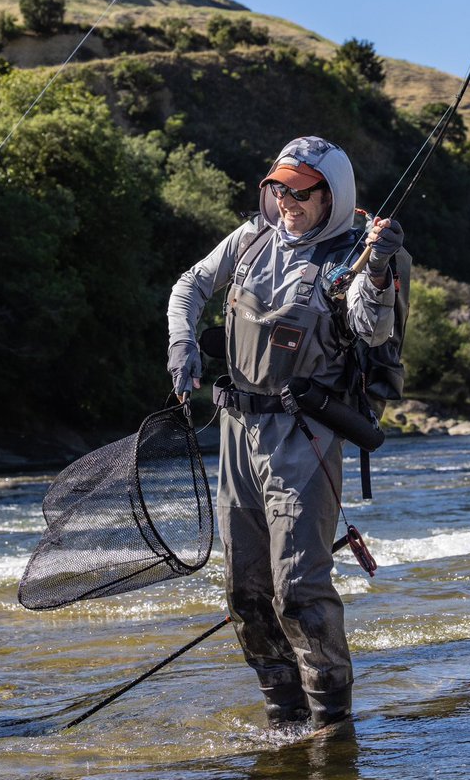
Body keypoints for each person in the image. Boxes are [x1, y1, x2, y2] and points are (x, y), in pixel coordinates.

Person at [166, 135, 403, 730]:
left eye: (300, 192)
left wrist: (375, 272)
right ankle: (283, 717)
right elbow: (189, 286)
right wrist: (183, 343)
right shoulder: (250, 239)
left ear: (333, 196)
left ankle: (332, 727)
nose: (286, 201)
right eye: (278, 188)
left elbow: (370, 332)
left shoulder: (352, 255)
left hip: (307, 437)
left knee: (298, 587)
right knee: (245, 592)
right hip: (236, 434)